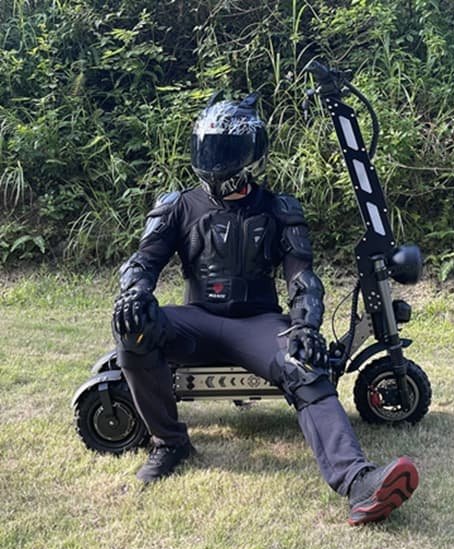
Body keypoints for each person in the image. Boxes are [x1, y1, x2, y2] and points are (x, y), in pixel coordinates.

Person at [111, 92, 419, 525]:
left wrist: (305, 325)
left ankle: (358, 481)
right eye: (208, 148)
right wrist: (134, 292)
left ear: (249, 154)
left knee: (303, 362)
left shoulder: (278, 209)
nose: (214, 161)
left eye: (224, 151)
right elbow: (143, 262)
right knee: (133, 328)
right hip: (197, 321)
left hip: (258, 323)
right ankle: (170, 443)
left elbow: (302, 278)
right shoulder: (178, 205)